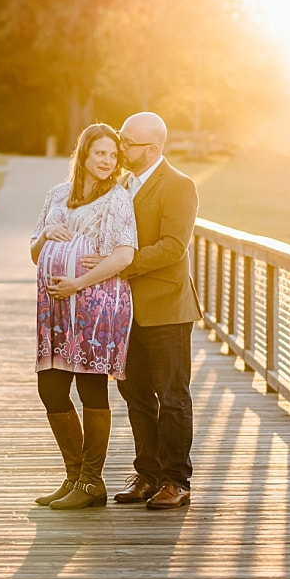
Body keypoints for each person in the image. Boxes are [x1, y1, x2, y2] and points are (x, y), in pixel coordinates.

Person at [30, 123, 138, 510]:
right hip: (55, 310)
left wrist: (77, 284)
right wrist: (47, 234)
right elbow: (33, 251)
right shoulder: (57, 195)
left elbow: (124, 255)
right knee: (52, 389)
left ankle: (92, 481)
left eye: (113, 155)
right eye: (100, 154)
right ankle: (74, 476)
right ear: (84, 155)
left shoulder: (117, 198)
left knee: (91, 388)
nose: (108, 161)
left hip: (97, 305)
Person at [98, 111, 202, 510]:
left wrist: (122, 261)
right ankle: (147, 474)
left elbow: (174, 247)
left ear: (152, 149)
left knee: (173, 397)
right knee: (135, 395)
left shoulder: (179, 186)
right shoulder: (122, 183)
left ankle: (176, 480)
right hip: (125, 311)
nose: (120, 148)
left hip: (167, 310)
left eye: (127, 142)